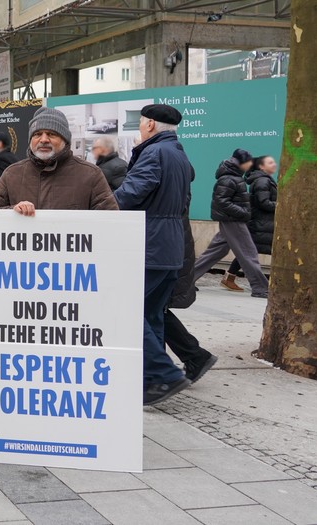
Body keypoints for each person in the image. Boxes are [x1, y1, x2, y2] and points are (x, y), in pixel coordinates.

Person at [114, 104, 192, 406]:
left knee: (128, 311)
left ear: (148, 125)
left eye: (141, 124)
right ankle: (150, 381)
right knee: (151, 314)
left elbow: (130, 193)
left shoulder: (154, 154)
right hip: (171, 246)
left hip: (149, 244)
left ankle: (164, 374)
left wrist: (99, 207)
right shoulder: (179, 155)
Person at [0, 107, 117, 213]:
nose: (43, 140)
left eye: (51, 134)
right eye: (37, 134)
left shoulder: (90, 175)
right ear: (31, 140)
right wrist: (13, 210)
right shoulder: (12, 173)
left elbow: (111, 220)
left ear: (65, 140)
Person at [165, 168, 218, 383]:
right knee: (154, 311)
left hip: (166, 249)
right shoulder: (178, 177)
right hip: (171, 248)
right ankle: (192, 357)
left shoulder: (168, 176)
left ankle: (166, 369)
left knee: (152, 310)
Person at [193, 149, 269, 298]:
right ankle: (261, 288)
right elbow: (221, 201)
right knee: (248, 253)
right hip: (233, 221)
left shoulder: (232, 177)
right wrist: (242, 212)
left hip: (231, 220)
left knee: (215, 252)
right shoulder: (229, 179)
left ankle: (185, 281)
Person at [220, 155, 277, 292]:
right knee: (252, 252)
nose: (274, 164)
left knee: (248, 251)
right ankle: (268, 284)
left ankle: (230, 277)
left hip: (262, 223)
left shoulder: (263, 180)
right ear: (261, 167)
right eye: (270, 162)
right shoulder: (263, 181)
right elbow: (264, 203)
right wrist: (281, 205)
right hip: (261, 223)